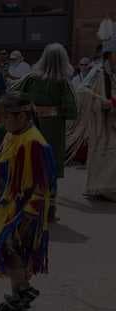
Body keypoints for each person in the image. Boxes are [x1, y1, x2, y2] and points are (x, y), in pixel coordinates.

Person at [0, 92, 56, 311]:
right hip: (10, 202)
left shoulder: (34, 142)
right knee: (10, 249)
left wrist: (31, 212)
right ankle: (20, 292)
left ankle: (22, 292)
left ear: (22, 116)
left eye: (6, 117)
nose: (3, 122)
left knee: (10, 246)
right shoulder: (13, 135)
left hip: (26, 207)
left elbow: (45, 182)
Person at [11, 43, 77, 220]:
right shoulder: (62, 82)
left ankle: (29, 206)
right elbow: (71, 110)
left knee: (31, 164)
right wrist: (55, 110)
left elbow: (13, 93)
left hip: (31, 126)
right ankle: (49, 209)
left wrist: (31, 106)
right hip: (53, 129)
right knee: (50, 167)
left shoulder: (32, 78)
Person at [77, 36, 116, 201]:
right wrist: (101, 101)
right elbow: (82, 90)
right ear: (109, 54)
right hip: (101, 120)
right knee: (102, 152)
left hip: (113, 118)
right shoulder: (97, 71)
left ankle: (109, 187)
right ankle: (97, 187)